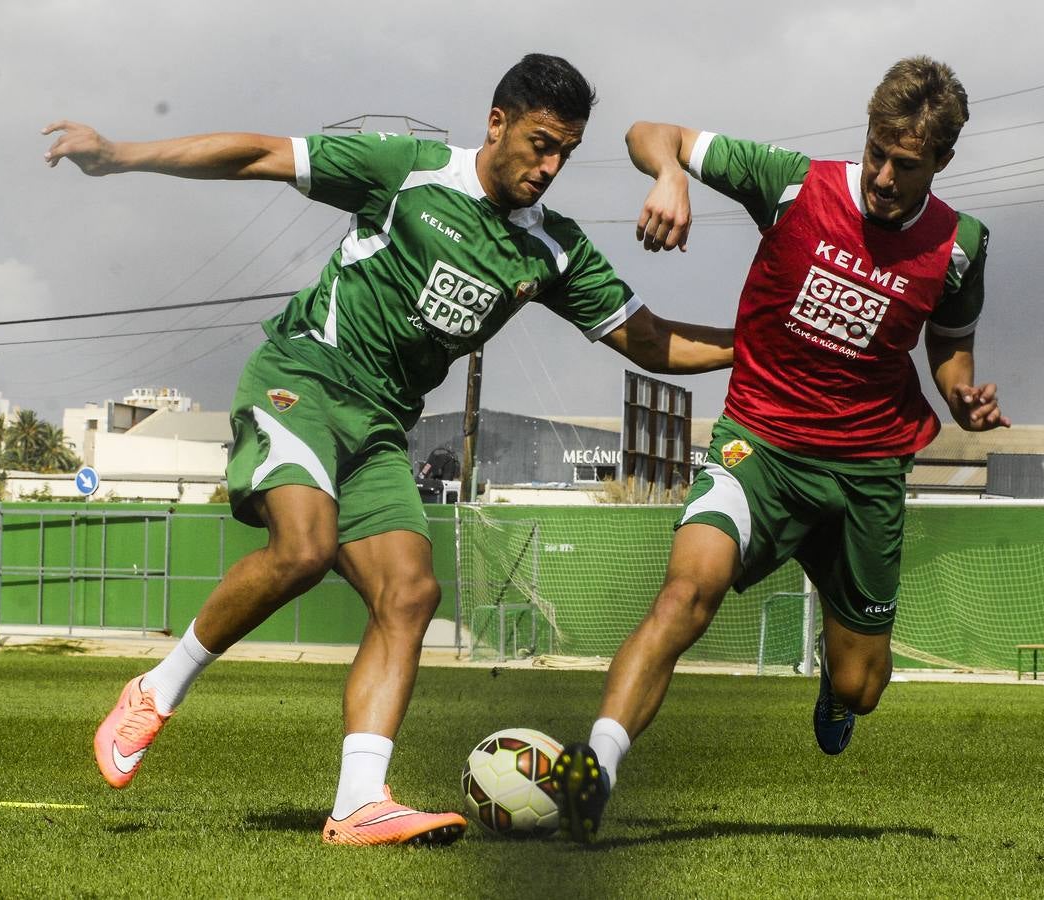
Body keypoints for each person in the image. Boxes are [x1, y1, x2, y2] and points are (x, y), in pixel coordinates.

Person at [42, 53, 734, 847]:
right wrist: (121, 153)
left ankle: (359, 803)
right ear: (496, 123)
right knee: (304, 548)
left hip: (377, 427)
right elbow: (262, 155)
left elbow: (647, 341)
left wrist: (758, 345)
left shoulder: (553, 252)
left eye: (566, 154)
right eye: (540, 143)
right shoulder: (407, 170)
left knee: (409, 594)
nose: (549, 168)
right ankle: (156, 692)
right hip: (301, 377)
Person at [551, 56, 1011, 843]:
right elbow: (647, 132)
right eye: (876, 153)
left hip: (865, 474)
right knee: (685, 593)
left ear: (942, 161)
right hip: (758, 445)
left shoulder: (960, 247)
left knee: (864, 688)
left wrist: (963, 393)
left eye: (905, 164)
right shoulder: (792, 183)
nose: (884, 177)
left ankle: (835, 686)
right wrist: (670, 176)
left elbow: (949, 351)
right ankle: (595, 769)